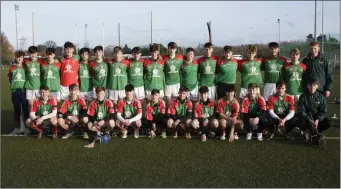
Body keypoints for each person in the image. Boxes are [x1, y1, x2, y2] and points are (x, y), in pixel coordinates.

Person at [8, 50, 30, 135]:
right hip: (15, 91)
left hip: (24, 91)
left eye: (21, 57)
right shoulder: (12, 68)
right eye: (18, 57)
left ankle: (27, 128)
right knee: (17, 110)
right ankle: (17, 128)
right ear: (15, 57)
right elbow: (10, 79)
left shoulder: (26, 67)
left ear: (23, 58)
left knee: (25, 110)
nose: (19, 59)